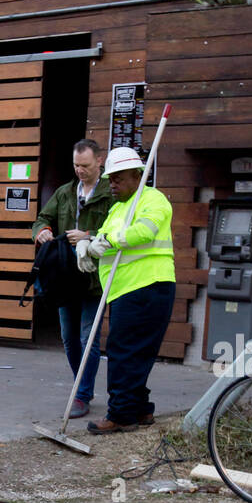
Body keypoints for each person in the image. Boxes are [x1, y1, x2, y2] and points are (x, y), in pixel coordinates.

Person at [77, 146, 175, 434]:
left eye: (119, 179)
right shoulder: (119, 207)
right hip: (125, 289)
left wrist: (108, 240)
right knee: (136, 352)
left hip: (147, 286)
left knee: (122, 351)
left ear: (137, 176)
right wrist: (89, 245)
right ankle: (141, 409)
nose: (113, 185)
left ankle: (121, 414)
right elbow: (107, 238)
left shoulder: (153, 200)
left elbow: (144, 231)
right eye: (111, 180)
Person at [32, 139, 111, 418]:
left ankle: (82, 393)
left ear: (99, 161)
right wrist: (41, 231)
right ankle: (83, 386)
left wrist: (88, 236)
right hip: (65, 276)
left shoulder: (110, 193)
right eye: (76, 165)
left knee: (88, 336)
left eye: (86, 166)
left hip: (94, 277)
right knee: (68, 337)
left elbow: (117, 231)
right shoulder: (65, 192)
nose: (80, 170)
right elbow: (42, 218)